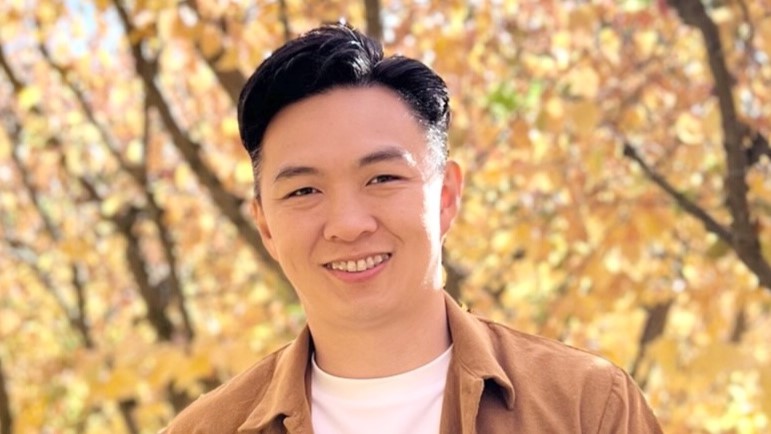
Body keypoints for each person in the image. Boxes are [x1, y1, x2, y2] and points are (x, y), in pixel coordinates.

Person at [162, 23, 663, 433]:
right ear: (266, 226)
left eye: (381, 178)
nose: (349, 225)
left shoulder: (587, 408)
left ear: (446, 196)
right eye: (303, 191)